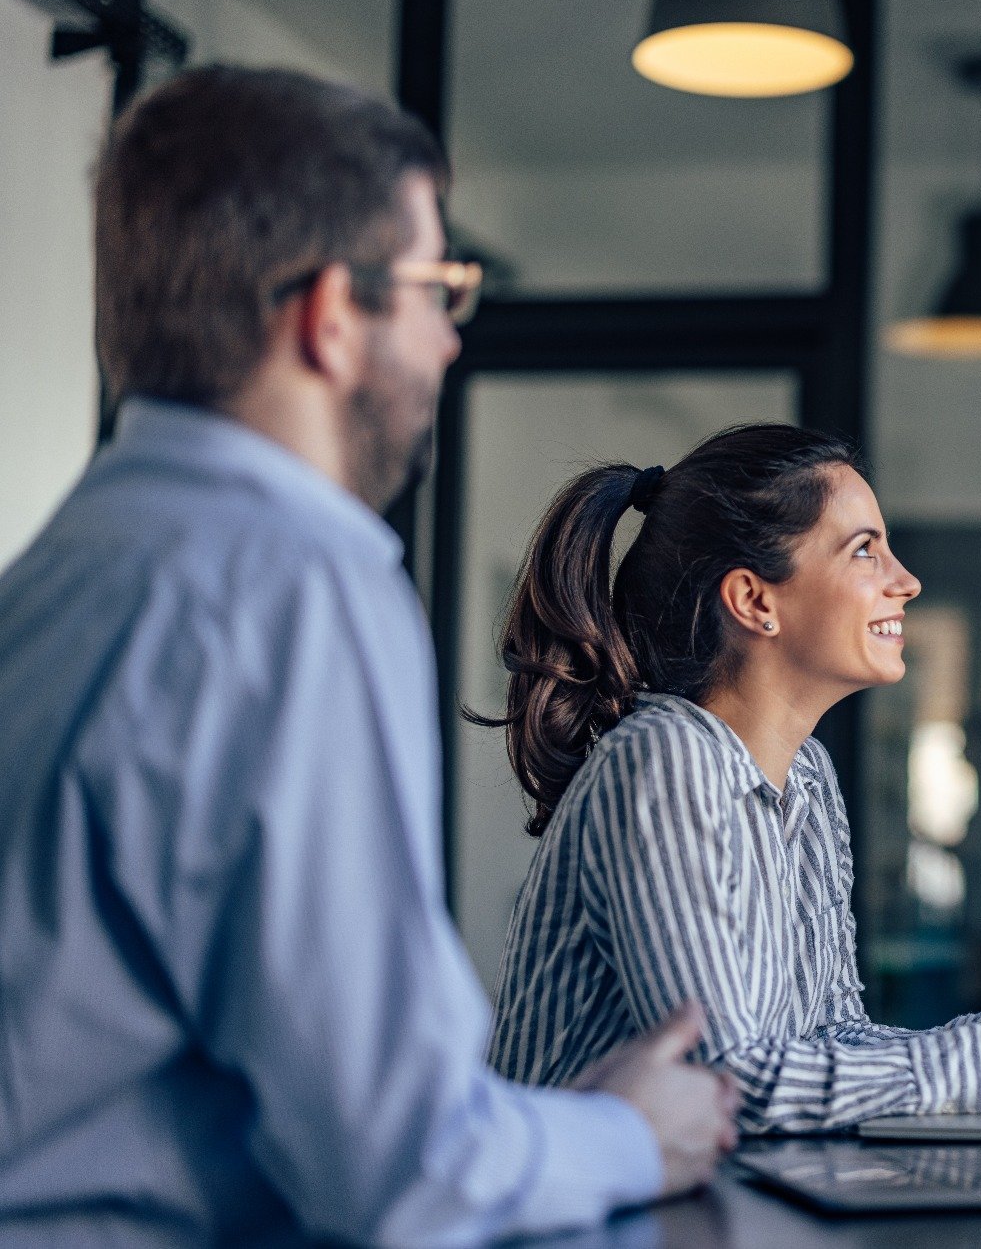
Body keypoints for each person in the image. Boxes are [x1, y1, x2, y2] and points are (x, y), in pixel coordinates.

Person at [0, 66, 736, 1245]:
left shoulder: (55, 577)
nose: (450, 343)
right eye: (439, 289)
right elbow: (400, 1170)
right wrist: (632, 1135)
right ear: (331, 314)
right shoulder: (293, 584)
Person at [482, 425, 981, 1133]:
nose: (906, 582)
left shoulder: (806, 776)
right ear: (755, 601)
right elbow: (726, 1087)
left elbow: (830, 1043)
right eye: (865, 551)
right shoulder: (660, 760)